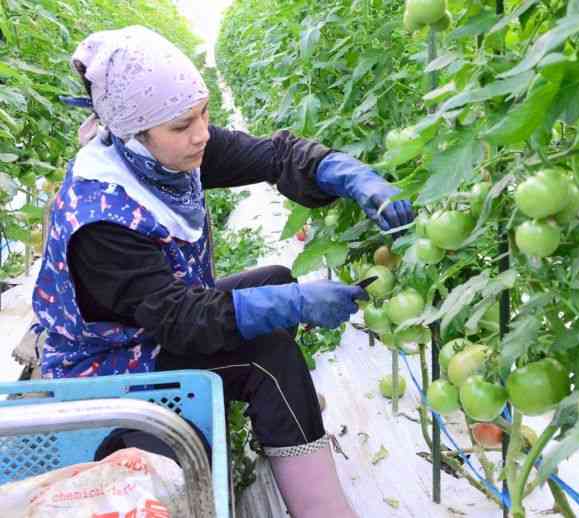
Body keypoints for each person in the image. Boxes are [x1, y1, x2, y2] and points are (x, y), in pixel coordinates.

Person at [32, 25, 413, 518]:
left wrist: (346, 174)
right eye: (181, 125)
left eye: (203, 113)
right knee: (267, 355)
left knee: (275, 279)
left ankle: (284, 424)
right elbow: (181, 318)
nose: (201, 134)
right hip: (109, 368)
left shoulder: (162, 157)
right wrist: (298, 305)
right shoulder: (100, 218)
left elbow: (273, 154)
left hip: (146, 333)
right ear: (135, 132)